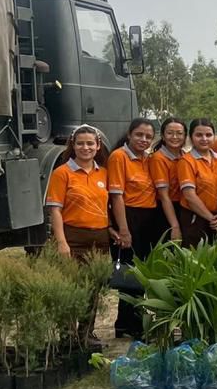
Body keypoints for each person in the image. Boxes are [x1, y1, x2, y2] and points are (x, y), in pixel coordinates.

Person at [108, 118, 164, 338]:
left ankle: (129, 322)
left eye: (148, 137)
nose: (143, 140)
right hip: (129, 217)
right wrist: (123, 229)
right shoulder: (119, 157)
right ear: (129, 134)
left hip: (148, 219)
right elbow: (117, 196)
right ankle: (128, 324)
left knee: (141, 274)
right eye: (139, 135)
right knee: (129, 276)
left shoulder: (147, 159)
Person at [45, 125, 113, 260]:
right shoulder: (61, 173)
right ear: (73, 146)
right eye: (80, 143)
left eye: (90, 143)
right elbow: (55, 211)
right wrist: (61, 242)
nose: (85, 147)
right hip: (73, 238)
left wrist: (110, 228)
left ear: (98, 146)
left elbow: (106, 207)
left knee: (99, 279)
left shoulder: (104, 173)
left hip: (101, 239)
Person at [178, 118, 217, 247]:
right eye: (199, 135)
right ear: (191, 137)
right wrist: (211, 218)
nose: (204, 139)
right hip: (195, 218)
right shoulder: (186, 161)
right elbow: (189, 195)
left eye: (208, 135)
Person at [150, 117, 186, 244]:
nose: (175, 137)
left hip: (182, 208)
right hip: (165, 210)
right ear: (163, 136)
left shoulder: (185, 156)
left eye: (179, 133)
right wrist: (174, 226)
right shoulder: (158, 158)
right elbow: (163, 196)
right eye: (170, 133)